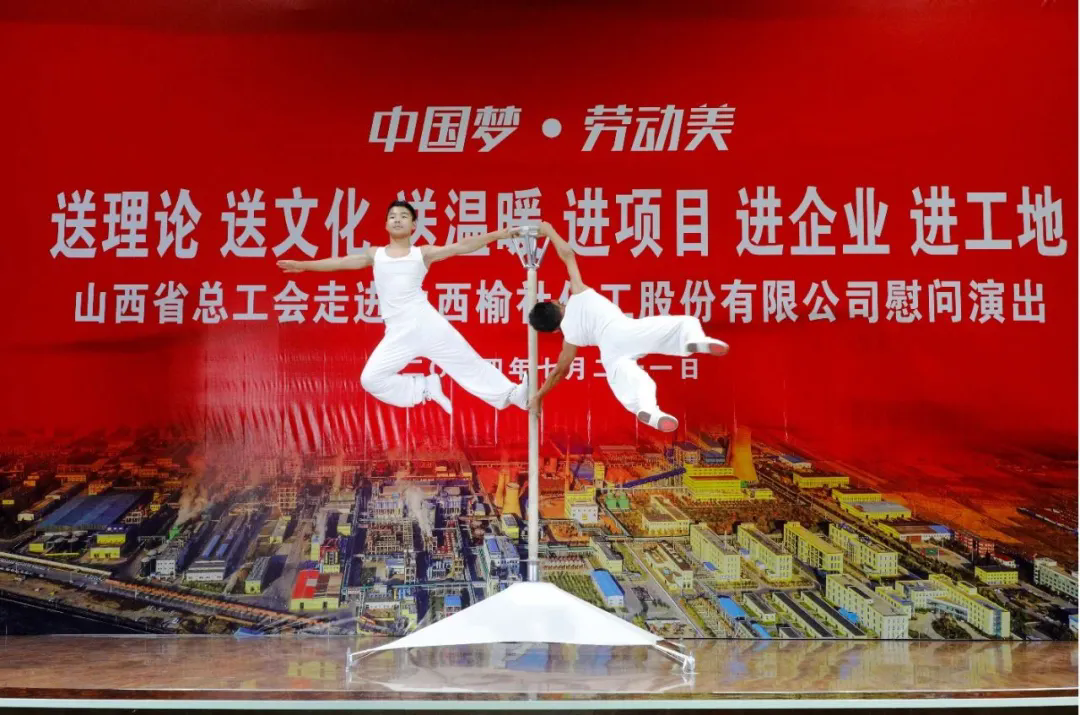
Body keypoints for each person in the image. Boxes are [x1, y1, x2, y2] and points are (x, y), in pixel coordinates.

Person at [278, 200, 528, 415]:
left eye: (404, 216)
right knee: (370, 379)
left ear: (413, 225)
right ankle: (424, 387)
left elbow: (461, 246)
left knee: (467, 362)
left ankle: (512, 394)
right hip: (397, 332)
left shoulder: (422, 253)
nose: (397, 220)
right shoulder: (375, 255)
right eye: (393, 216)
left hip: (426, 322)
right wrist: (304, 265)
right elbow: (341, 262)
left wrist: (498, 235)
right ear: (386, 225)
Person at [526, 221, 728, 432]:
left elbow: (559, 372)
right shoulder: (578, 293)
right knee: (684, 323)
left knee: (635, 382)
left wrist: (539, 396)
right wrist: (549, 230)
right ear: (556, 303)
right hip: (624, 330)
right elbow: (567, 255)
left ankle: (650, 411)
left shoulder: (570, 339)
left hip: (610, 352)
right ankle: (692, 340)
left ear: (553, 330)